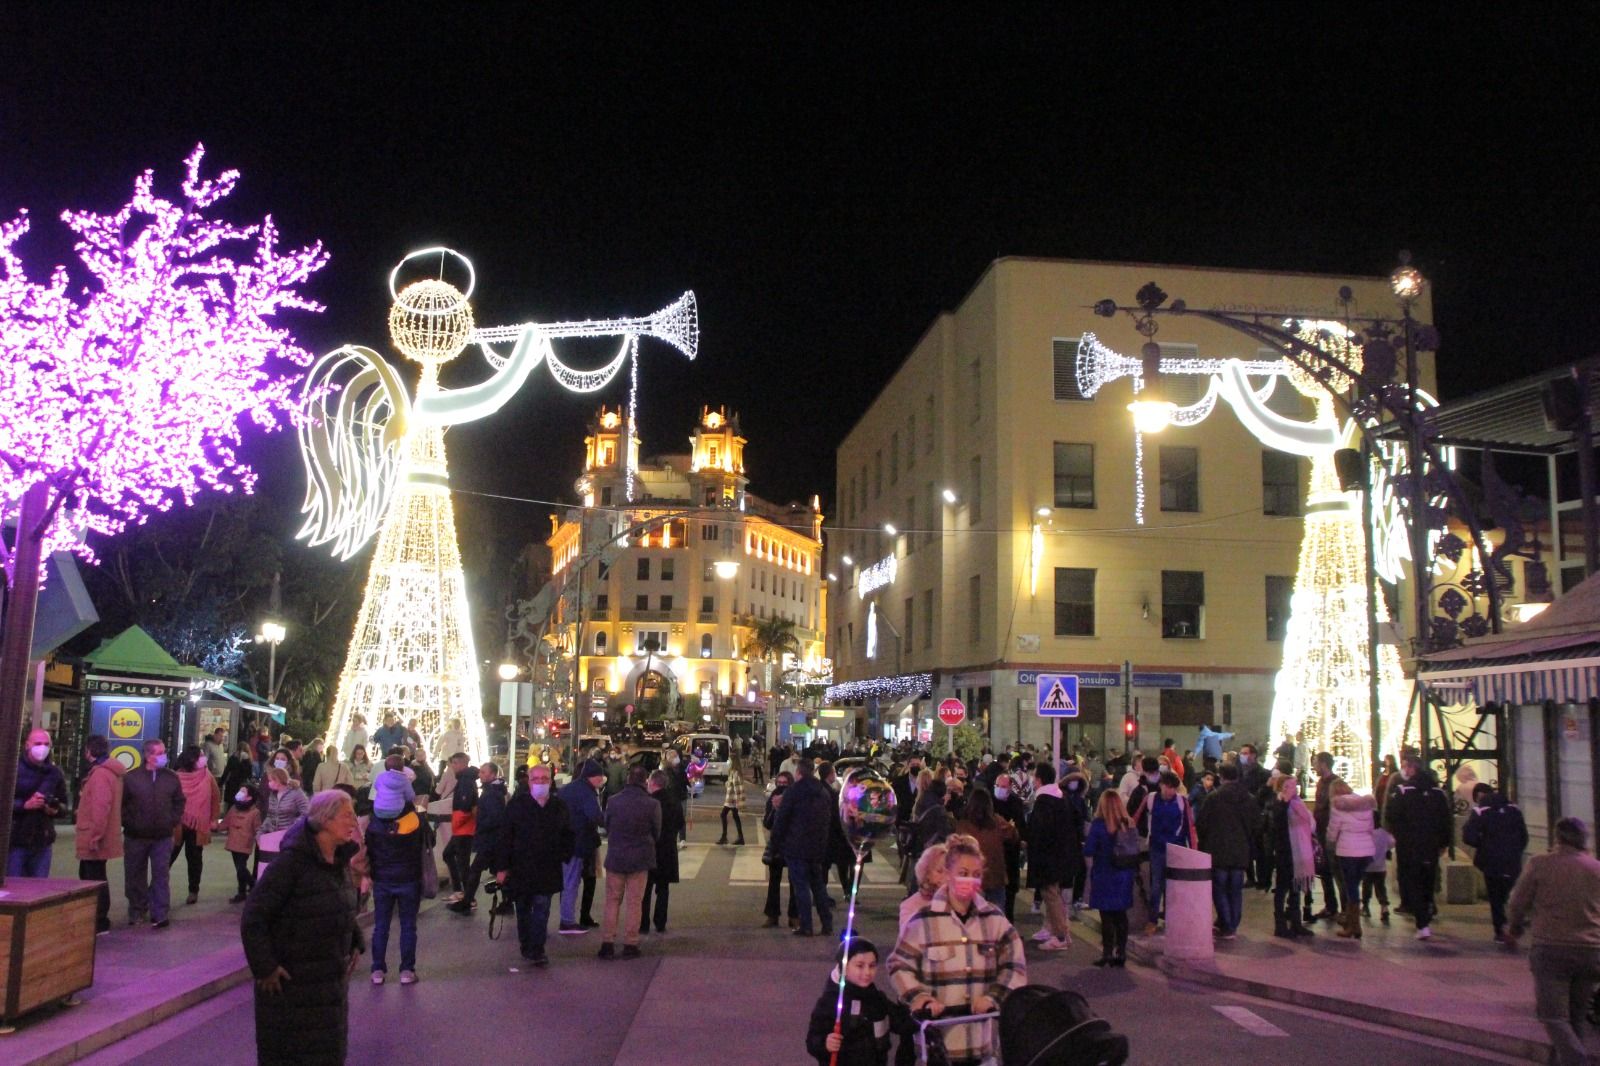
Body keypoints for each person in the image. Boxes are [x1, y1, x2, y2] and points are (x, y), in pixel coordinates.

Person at [241, 789, 364, 1066]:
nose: (354, 823)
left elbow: (339, 906)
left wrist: (354, 939)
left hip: (328, 989)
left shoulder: (338, 862)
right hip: (292, 993)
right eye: (347, 816)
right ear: (325, 820)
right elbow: (254, 917)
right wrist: (265, 967)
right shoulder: (291, 864)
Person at [889, 834, 1027, 1066]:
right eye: (963, 874)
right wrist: (920, 998)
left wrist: (994, 997)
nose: (969, 880)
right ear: (948, 874)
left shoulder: (994, 920)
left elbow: (1015, 963)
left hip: (981, 1045)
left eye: (976, 875)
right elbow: (899, 964)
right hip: (937, 1046)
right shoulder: (922, 921)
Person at [1506, 817, 1600, 1066]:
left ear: (1557, 837)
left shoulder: (1540, 864)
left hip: (1551, 947)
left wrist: (1514, 927)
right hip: (1591, 949)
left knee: (1553, 1016)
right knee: (1576, 1017)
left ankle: (1577, 1060)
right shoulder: (1595, 867)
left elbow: (1518, 902)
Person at [493, 762, 573, 967]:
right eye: (536, 779)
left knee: (542, 909)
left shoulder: (558, 807)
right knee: (523, 909)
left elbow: (568, 835)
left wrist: (564, 854)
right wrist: (502, 868)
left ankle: (537, 948)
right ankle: (526, 944)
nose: (540, 783)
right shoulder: (517, 805)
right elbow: (505, 837)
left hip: (548, 869)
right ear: (529, 782)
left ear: (551, 782)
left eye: (544, 779)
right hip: (521, 869)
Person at [805, 937, 913, 1066]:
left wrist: (921, 1011)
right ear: (844, 967)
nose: (867, 972)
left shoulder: (877, 999)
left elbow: (902, 1024)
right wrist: (825, 1043)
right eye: (860, 966)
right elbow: (812, 1040)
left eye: (872, 966)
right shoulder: (830, 1002)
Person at [1384, 753, 1453, 940]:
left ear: (1412, 769)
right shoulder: (1437, 793)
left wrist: (1396, 835)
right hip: (1430, 845)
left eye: (1406, 766)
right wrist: (1444, 843)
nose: (1403, 770)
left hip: (1409, 845)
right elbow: (1446, 821)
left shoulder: (1403, 791)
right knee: (1428, 880)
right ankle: (1428, 906)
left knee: (1412, 881)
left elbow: (1392, 816)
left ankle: (1422, 921)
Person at [364, 780, 426, 984]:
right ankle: (407, 970)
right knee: (408, 926)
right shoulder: (414, 821)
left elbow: (369, 851)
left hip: (382, 879)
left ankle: (377, 970)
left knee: (381, 926)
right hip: (409, 878)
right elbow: (427, 844)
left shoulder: (374, 824)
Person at [598, 763, 660, 959]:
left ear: (627, 780)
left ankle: (607, 941)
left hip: (616, 856)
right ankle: (630, 943)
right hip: (640, 858)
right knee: (635, 902)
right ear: (645, 781)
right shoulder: (652, 804)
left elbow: (607, 825)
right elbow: (656, 832)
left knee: (612, 901)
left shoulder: (614, 801)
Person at [122, 738, 185, 928]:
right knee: (135, 875)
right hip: (136, 836)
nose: (163, 756)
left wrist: (172, 820)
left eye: (164, 752)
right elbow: (122, 804)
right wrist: (130, 822)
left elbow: (179, 801)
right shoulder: (131, 778)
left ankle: (160, 912)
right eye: (159, 753)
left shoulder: (171, 777)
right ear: (148, 755)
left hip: (163, 836)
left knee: (161, 875)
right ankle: (137, 910)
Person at [771, 757, 835, 938]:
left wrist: (776, 844)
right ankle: (827, 924)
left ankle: (806, 925)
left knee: (801, 888)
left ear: (798, 773)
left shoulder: (794, 792)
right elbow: (827, 820)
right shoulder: (822, 792)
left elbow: (782, 820)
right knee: (818, 887)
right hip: (817, 847)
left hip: (796, 846)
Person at [1196, 761, 1259, 939]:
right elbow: (1256, 825)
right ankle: (1232, 923)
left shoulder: (1214, 798)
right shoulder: (1249, 799)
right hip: (1240, 851)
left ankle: (1227, 924)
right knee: (1236, 890)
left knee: (1220, 888)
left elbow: (1201, 823)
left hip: (1218, 851)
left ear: (1221, 777)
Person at [1463, 781, 1529, 944]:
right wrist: (1515, 850)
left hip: (1491, 860)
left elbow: (1469, 836)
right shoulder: (1514, 810)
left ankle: (1500, 929)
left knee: (1495, 896)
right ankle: (1514, 925)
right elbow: (1523, 836)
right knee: (1511, 892)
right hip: (1511, 859)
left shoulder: (1480, 812)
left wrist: (1483, 843)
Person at [1025, 762, 1078, 951]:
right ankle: (1052, 928)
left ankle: (1061, 936)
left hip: (1048, 858)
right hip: (1062, 855)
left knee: (1051, 894)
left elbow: (1040, 833)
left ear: (1038, 780)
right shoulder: (1060, 798)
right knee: (1054, 895)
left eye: (1034, 777)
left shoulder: (1044, 802)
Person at [75, 734, 125, 933]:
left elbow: (100, 806)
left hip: (94, 835)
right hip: (102, 832)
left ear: (89, 751)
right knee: (94, 874)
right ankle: (98, 917)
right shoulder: (112, 772)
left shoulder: (100, 775)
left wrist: (95, 835)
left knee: (93, 877)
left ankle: (99, 920)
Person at [1084, 790, 1136, 966]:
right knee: (1121, 915)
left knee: (1106, 916)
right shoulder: (1129, 824)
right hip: (1124, 874)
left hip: (1104, 873)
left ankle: (1107, 953)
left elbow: (1089, 850)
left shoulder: (1099, 825)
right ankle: (1121, 953)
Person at [9, 727, 67, 877]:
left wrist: (55, 810)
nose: (42, 748)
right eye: (38, 743)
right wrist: (24, 805)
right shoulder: (12, 769)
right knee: (15, 889)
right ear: (27, 745)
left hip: (42, 841)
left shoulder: (55, 773)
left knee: (39, 888)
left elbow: (63, 804)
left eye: (47, 744)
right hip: (15, 841)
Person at [1143, 771, 1195, 935]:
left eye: (1173, 788)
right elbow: (1136, 816)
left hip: (1176, 849)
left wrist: (1192, 851)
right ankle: (1153, 919)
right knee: (1156, 885)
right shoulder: (1151, 799)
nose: (1169, 791)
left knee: (1173, 886)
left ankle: (1169, 917)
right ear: (1161, 785)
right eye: (1167, 787)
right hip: (1157, 848)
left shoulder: (1182, 802)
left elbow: (1189, 826)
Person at [557, 758, 605, 933]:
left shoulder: (567, 789)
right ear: (591, 776)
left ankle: (566, 917)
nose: (601, 780)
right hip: (578, 842)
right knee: (572, 881)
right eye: (599, 776)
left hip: (564, 841)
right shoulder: (586, 792)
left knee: (566, 880)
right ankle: (567, 921)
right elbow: (595, 816)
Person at [954, 785, 1018, 913]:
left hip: (972, 877)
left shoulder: (963, 825)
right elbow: (1014, 836)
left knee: (973, 919)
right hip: (995, 875)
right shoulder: (997, 822)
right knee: (997, 918)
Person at [1324, 781, 1376, 939]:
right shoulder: (1365, 804)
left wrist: (1330, 844)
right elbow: (1370, 828)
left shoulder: (1338, 805)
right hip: (1366, 850)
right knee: (1355, 885)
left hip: (1347, 849)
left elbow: (1333, 830)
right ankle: (1354, 923)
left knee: (1350, 887)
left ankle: (1353, 925)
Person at [171, 746, 222, 905]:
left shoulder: (207, 776)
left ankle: (193, 890)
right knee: (167, 857)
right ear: (191, 759)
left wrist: (214, 818)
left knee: (194, 859)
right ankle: (156, 888)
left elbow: (215, 797)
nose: (203, 758)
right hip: (176, 824)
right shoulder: (175, 777)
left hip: (198, 825)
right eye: (199, 756)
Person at [455, 761, 508, 914]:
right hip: (493, 840)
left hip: (490, 840)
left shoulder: (491, 793)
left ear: (492, 774)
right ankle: (506, 902)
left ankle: (468, 901)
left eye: (483, 772)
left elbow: (494, 818)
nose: (480, 775)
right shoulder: (495, 791)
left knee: (476, 870)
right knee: (497, 870)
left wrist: (481, 826)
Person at [1271, 775, 1316, 938]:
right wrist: (1284, 802)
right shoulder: (1278, 803)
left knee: (1296, 888)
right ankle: (1280, 924)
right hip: (1286, 852)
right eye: (1289, 785)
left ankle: (1296, 923)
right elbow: (1278, 824)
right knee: (1282, 888)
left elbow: (1309, 823)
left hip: (1300, 853)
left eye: (1295, 785)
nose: (1293, 788)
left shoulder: (1298, 803)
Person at [640, 768, 683, 935]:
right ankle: (660, 922)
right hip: (668, 849)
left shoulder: (649, 801)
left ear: (653, 782)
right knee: (663, 889)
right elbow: (680, 823)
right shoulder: (674, 801)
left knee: (646, 888)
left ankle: (643, 923)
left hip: (651, 849)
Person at [1310, 751, 1345, 921]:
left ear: (1323, 764)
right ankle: (1330, 905)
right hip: (1322, 832)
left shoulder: (1335, 783)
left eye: (1316, 762)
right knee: (1325, 871)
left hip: (1333, 834)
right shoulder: (1321, 782)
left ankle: (1345, 909)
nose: (1314, 766)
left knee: (1338, 872)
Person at [763, 770, 800, 928]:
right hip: (777, 846)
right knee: (774, 882)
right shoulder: (773, 798)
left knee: (795, 883)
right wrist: (775, 808)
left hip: (792, 845)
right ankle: (772, 915)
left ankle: (794, 916)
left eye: (785, 784)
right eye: (779, 784)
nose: (782, 787)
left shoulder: (795, 800)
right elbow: (767, 823)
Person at [441, 753, 477, 905]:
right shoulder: (465, 780)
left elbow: (466, 804)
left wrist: (458, 822)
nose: (453, 766)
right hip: (462, 828)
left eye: (455, 763)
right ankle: (461, 892)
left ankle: (468, 897)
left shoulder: (465, 781)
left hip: (463, 828)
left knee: (461, 862)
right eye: (452, 763)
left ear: (463, 763)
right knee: (451, 855)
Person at [219, 781, 263, 903]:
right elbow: (225, 823)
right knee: (239, 868)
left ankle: (251, 886)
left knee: (241, 868)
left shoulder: (255, 812)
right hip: (233, 842)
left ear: (250, 797)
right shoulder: (234, 808)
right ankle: (242, 891)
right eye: (240, 790)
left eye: (243, 791)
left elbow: (257, 828)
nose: (240, 793)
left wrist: (259, 840)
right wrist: (213, 827)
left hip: (245, 842)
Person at [899, 842, 949, 941]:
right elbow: (909, 938)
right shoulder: (911, 905)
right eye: (939, 871)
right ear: (926, 873)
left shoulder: (960, 902)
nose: (946, 876)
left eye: (949, 870)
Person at [1362, 808, 1394, 922]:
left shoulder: (1365, 833)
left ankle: (1365, 906)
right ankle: (1384, 907)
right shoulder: (1384, 833)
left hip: (1367, 866)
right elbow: (1391, 843)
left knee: (1367, 887)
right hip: (1381, 867)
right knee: (1381, 888)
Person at [718, 748, 746, 845]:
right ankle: (739, 837)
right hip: (731, 799)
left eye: (729, 759)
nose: (728, 761)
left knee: (724, 815)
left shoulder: (735, 773)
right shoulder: (733, 772)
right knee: (734, 816)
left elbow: (738, 788)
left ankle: (725, 837)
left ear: (733, 761)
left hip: (732, 800)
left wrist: (740, 803)